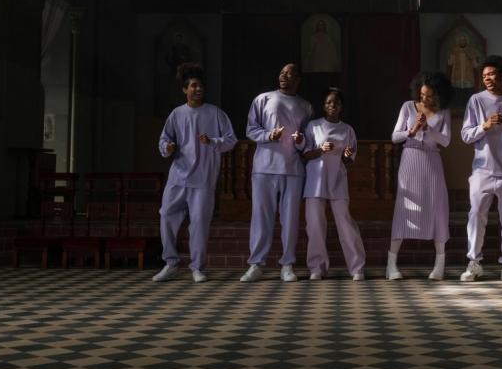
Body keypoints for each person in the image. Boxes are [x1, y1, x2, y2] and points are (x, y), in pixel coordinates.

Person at [154, 62, 237, 283]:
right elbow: (164, 140)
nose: (197, 89)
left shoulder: (215, 113)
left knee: (199, 222)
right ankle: (170, 263)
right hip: (179, 176)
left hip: (203, 178)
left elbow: (231, 141)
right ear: (185, 89)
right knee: (166, 215)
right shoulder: (177, 114)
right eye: (192, 86)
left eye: (200, 86)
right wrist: (168, 148)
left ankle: (197, 267)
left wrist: (213, 142)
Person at [240, 63, 314, 283]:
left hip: (292, 169)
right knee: (261, 217)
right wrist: (268, 136)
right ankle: (256, 264)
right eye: (282, 72)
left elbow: (309, 139)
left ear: (298, 79)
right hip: (264, 167)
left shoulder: (305, 106)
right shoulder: (263, 99)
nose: (284, 75)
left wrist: (301, 142)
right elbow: (251, 129)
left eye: (289, 73)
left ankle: (287, 264)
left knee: (290, 219)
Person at [459, 55, 502, 283]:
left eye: (491, 74)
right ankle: (474, 263)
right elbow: (466, 135)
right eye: (484, 76)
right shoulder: (476, 100)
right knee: (476, 214)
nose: (487, 78)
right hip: (482, 169)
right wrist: (485, 125)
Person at [386, 71, 452, 281]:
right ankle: (391, 265)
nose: (425, 99)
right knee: (404, 209)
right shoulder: (408, 106)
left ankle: (439, 264)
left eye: (430, 96)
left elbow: (446, 141)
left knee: (437, 207)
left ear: (439, 94)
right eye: (422, 94)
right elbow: (395, 136)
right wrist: (412, 131)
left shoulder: (444, 112)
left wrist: (428, 129)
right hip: (410, 159)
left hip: (432, 160)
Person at [301, 88, 366, 281]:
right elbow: (305, 153)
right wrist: (320, 150)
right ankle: (317, 268)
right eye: (329, 102)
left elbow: (349, 158)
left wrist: (346, 156)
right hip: (315, 181)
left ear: (341, 106)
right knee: (314, 225)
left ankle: (356, 268)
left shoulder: (347, 130)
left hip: (337, 180)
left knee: (346, 224)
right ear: (323, 105)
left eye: (336, 103)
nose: (332, 106)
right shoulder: (313, 126)